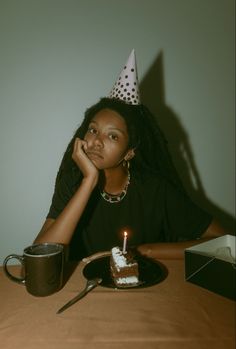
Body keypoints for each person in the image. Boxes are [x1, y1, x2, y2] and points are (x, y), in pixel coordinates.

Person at [34, 50, 226, 260]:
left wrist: (143, 251)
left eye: (113, 136)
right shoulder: (73, 182)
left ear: (130, 152)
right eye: (93, 130)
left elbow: (222, 240)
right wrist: (89, 181)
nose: (97, 141)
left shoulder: (155, 190)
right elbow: (39, 259)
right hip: (87, 288)